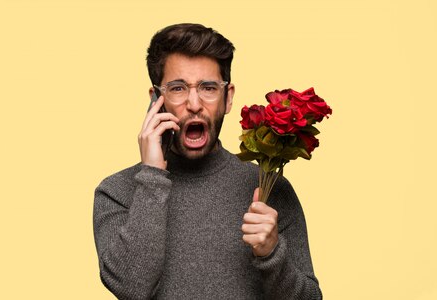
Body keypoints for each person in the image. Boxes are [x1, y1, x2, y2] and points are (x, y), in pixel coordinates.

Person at [93, 23, 322, 299]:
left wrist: (272, 254)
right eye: (177, 88)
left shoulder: (269, 189)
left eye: (208, 87)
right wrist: (151, 175)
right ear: (156, 100)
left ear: (228, 97)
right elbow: (131, 288)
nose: (194, 103)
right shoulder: (117, 192)